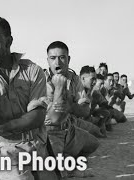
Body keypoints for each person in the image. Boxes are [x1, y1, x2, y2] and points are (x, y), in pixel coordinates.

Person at [0, 16, 58, 180]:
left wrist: (5, 125)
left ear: (8, 41)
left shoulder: (32, 70)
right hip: (5, 150)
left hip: (38, 143)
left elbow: (37, 116)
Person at [43, 41, 99, 178]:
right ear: (47, 60)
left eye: (62, 57)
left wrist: (71, 107)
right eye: (53, 58)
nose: (58, 62)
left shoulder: (74, 79)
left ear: (69, 59)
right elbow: (54, 117)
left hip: (68, 128)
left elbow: (85, 110)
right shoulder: (40, 80)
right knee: (57, 176)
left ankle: (70, 165)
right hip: (48, 133)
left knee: (93, 143)